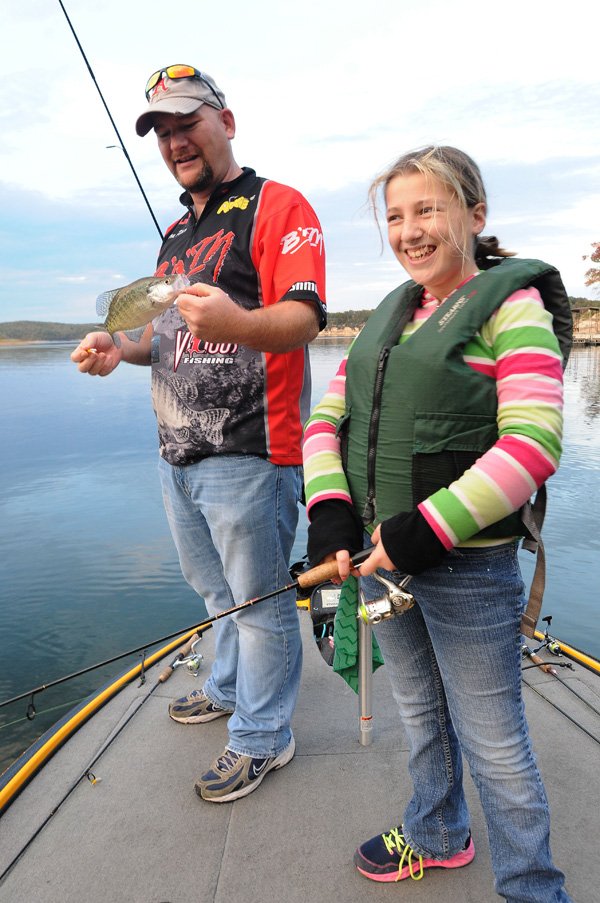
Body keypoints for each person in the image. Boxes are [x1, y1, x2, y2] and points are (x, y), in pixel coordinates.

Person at [303, 146, 572, 901]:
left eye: (428, 209)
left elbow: (532, 443)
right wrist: (329, 515)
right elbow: (327, 419)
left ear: (474, 216)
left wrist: (424, 529)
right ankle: (436, 833)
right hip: (380, 560)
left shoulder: (510, 307)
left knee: (495, 741)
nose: (410, 230)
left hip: (468, 570)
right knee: (420, 711)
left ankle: (532, 886)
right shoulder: (386, 319)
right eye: (395, 215)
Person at [72, 65, 326, 803]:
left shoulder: (279, 205)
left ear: (227, 121)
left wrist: (239, 321)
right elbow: (165, 337)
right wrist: (120, 349)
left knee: (260, 601)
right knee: (214, 591)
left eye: (189, 122)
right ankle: (223, 686)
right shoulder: (179, 232)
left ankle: (262, 736)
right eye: (163, 131)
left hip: (252, 452)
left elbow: (305, 317)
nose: (177, 140)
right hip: (177, 452)